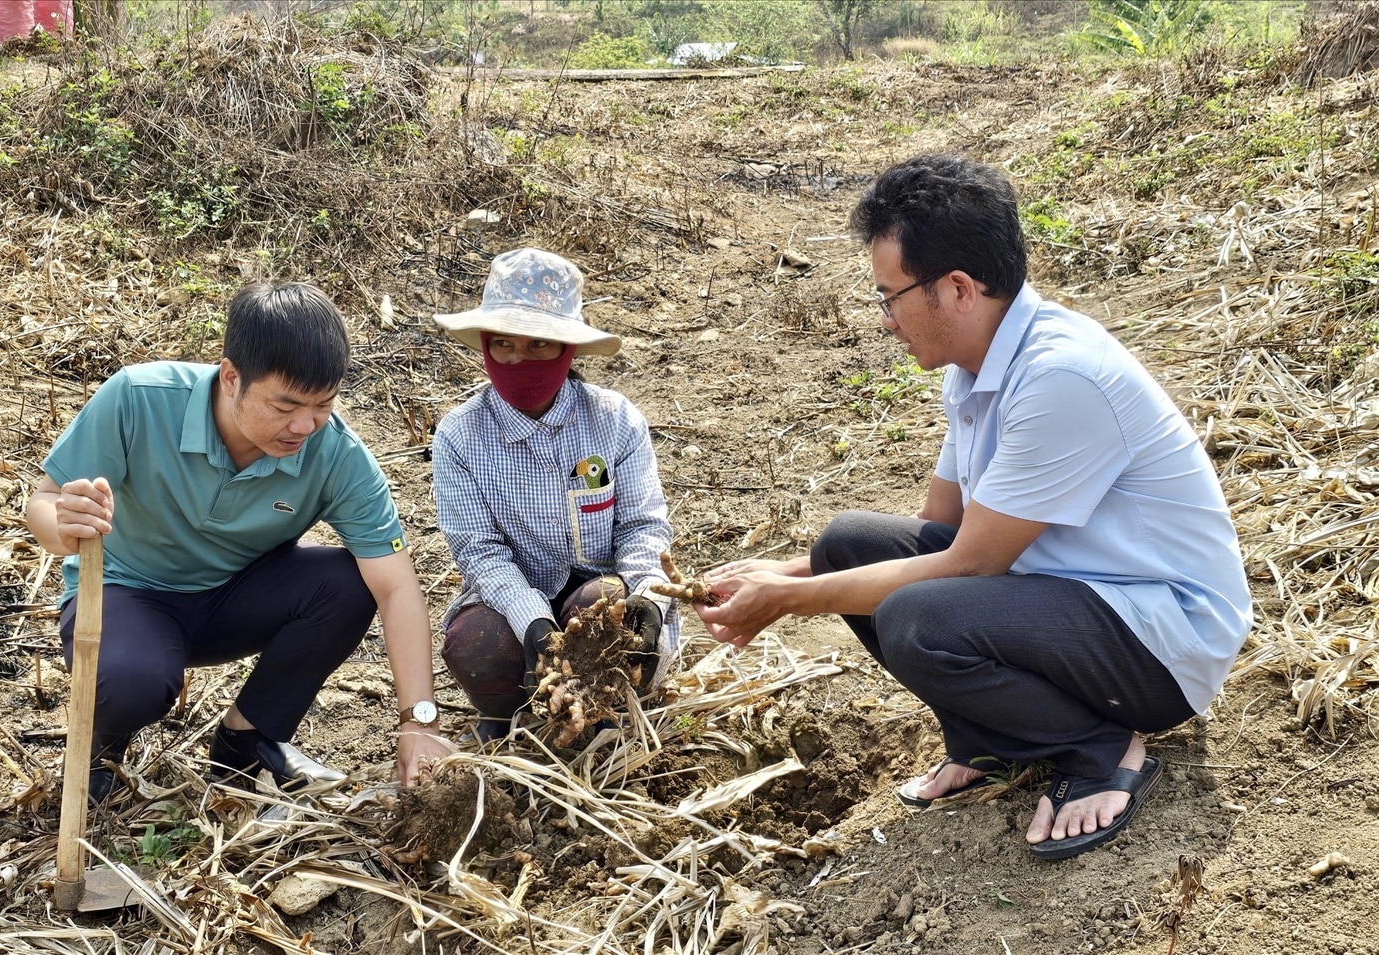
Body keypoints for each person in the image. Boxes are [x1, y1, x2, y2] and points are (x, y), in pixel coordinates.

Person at [695, 154, 1252, 860]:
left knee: (915, 619)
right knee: (846, 543)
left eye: (890, 296)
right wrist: (786, 570)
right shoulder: (977, 368)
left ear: (957, 288)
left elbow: (970, 562)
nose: (888, 319)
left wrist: (787, 598)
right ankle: (992, 743)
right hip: (1076, 598)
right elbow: (945, 525)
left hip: (1161, 636)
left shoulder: (1059, 377)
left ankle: (1102, 748)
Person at [25, 282, 451, 803]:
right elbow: (43, 501)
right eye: (285, 405)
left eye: (323, 404)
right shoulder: (140, 399)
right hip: (126, 593)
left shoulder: (336, 454)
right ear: (231, 378)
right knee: (129, 680)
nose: (304, 426)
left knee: (349, 583)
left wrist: (420, 722)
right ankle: (102, 745)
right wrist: (64, 527)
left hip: (233, 599)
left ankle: (247, 737)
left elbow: (398, 589)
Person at [430, 247, 677, 742]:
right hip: (512, 596)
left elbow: (642, 527)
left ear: (568, 349)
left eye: (539, 345)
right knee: (476, 646)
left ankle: (609, 710)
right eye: (503, 344)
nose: (519, 359)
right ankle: (506, 715)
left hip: (598, 587)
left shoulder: (614, 420)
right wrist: (532, 623)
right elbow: (480, 553)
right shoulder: (460, 435)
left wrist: (649, 597)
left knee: (606, 607)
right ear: (485, 346)